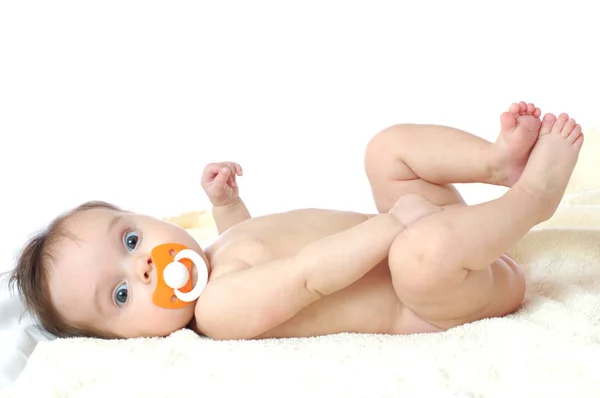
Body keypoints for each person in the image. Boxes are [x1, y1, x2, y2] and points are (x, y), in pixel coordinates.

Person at [8, 102, 584, 340]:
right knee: (417, 257)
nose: (145, 267)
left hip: (438, 235)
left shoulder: (217, 257)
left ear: (147, 217)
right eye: (121, 293)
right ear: (123, 341)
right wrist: (390, 228)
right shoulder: (217, 311)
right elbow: (306, 275)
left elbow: (257, 248)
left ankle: (496, 162)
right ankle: (534, 195)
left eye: (131, 240)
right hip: (441, 293)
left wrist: (227, 207)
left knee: (385, 151)